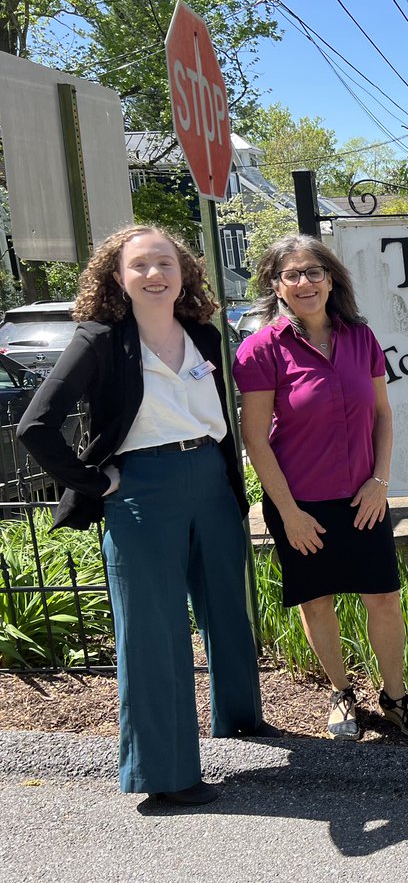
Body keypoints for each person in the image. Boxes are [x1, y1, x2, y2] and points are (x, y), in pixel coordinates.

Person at [18, 225, 272, 806]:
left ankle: (239, 719)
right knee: (154, 634)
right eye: (140, 266)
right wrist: (91, 481)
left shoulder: (205, 336)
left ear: (183, 271)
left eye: (165, 263)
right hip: (142, 490)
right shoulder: (101, 338)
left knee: (229, 609)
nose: (154, 275)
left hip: (210, 478)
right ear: (117, 278)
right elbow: (36, 426)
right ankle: (166, 775)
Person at [233, 233, 408, 743]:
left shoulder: (360, 339)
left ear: (331, 280)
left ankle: (395, 697)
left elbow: (383, 415)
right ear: (276, 286)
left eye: (314, 272)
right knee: (317, 601)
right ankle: (341, 693)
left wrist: (380, 482)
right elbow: (255, 439)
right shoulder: (260, 350)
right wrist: (289, 512)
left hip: (363, 498)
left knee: (384, 599)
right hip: (300, 503)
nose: (305, 282)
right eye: (292, 274)